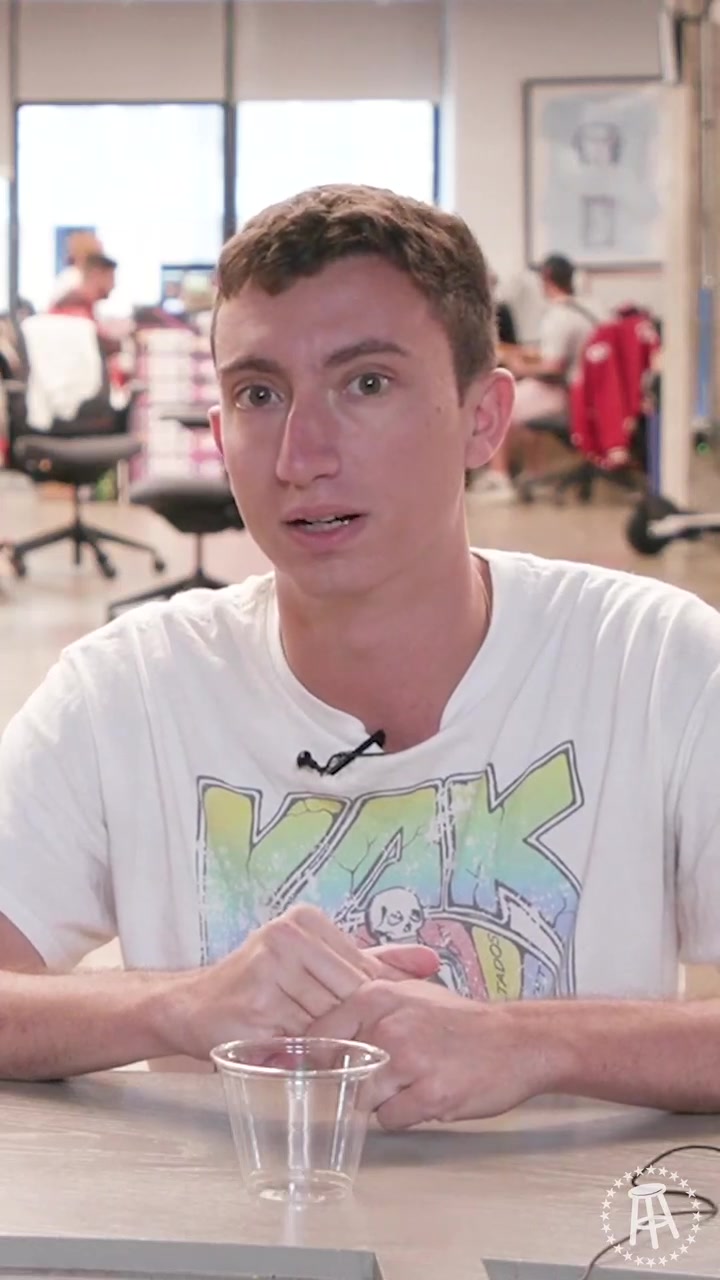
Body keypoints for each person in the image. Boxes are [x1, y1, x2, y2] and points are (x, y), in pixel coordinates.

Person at [0, 184, 719, 1128]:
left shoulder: (656, 667)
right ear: (219, 433)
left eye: (367, 384)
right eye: (259, 395)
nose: (301, 455)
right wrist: (175, 1007)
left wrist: (537, 1042)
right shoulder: (126, 690)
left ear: (484, 418)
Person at [477, 253, 602, 501]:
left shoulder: (558, 316)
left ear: (546, 278)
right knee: (526, 398)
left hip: (566, 395)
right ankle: (535, 472)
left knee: (497, 401)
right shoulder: (588, 308)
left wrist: (518, 367)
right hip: (590, 394)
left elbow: (554, 368)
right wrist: (524, 354)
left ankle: (500, 479)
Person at [51, 252, 122, 358]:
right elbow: (94, 342)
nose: (113, 285)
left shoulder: (85, 306)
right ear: (96, 275)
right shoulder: (73, 307)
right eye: (111, 278)